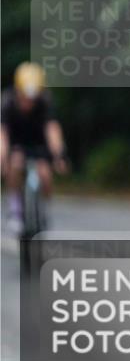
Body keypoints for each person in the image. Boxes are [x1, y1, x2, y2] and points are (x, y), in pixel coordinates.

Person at [0, 62, 68, 234]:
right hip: (16, 145)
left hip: (39, 145)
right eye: (25, 97)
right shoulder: (7, 101)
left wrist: (59, 154)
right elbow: (3, 133)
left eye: (32, 98)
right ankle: (15, 209)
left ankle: (43, 208)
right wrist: (2, 157)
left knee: (45, 175)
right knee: (14, 165)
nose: (28, 102)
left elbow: (52, 129)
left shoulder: (45, 101)